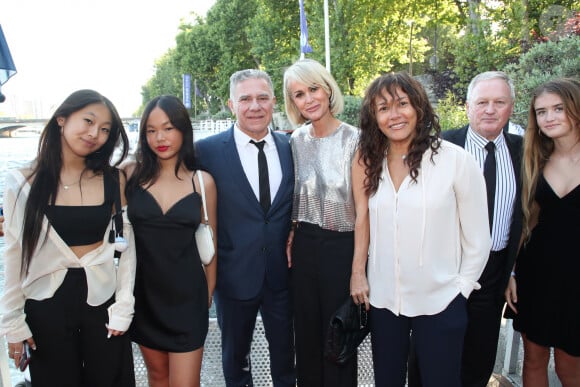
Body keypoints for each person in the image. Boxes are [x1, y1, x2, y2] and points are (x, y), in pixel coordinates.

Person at [350, 72, 491, 386]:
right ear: (374, 117)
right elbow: (363, 220)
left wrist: (461, 289)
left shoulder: (456, 161)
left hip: (440, 300)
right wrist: (359, 273)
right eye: (383, 108)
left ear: (419, 107)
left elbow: (479, 238)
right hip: (385, 300)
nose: (394, 114)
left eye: (402, 103)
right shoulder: (369, 162)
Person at [0, 89, 136, 386]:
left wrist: (124, 306)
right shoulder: (22, 182)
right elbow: (14, 254)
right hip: (45, 305)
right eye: (87, 121)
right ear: (62, 118)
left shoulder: (114, 179)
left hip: (102, 302)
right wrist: (12, 323)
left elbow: (126, 248)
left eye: (104, 129)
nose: (94, 134)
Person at [407, 70, 524, 387]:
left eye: (499, 102)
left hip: (493, 269)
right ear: (468, 106)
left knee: (479, 353)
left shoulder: (526, 151)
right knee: (429, 350)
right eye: (482, 102)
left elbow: (528, 216)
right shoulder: (437, 148)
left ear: (511, 107)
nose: (490, 109)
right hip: (443, 267)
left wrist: (512, 271)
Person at [195, 69, 296, 387]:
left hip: (283, 276)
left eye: (262, 97)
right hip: (233, 277)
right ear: (231, 104)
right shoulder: (206, 152)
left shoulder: (291, 147)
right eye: (246, 99)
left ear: (273, 102)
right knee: (235, 363)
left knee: (287, 359)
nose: (255, 106)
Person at [124, 95, 217, 387]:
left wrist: (208, 295)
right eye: (151, 130)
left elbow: (212, 248)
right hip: (144, 298)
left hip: (188, 300)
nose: (159, 137)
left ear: (183, 130)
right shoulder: (129, 175)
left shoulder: (202, 182)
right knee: (158, 379)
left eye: (167, 128)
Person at [282, 58, 360, 387]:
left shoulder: (356, 139)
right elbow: (292, 197)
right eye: (299, 94)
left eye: (313, 89)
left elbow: (366, 212)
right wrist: (291, 233)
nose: (308, 99)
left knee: (338, 336)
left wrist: (359, 268)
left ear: (328, 89)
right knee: (308, 337)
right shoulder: (295, 141)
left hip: (343, 247)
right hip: (302, 249)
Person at [505, 78, 580, 386]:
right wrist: (510, 271)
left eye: (558, 109)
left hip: (576, 279)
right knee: (534, 358)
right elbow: (524, 221)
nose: (549, 118)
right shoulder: (533, 159)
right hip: (536, 273)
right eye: (541, 111)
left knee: (569, 364)